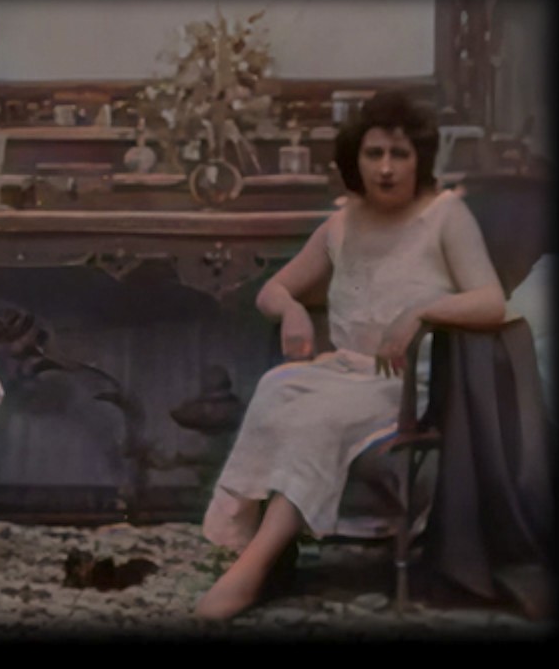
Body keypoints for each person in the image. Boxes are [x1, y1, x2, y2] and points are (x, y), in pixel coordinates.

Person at [194, 91, 507, 620]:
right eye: (374, 154)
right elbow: (272, 290)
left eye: (400, 155)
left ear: (420, 160)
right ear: (354, 160)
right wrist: (292, 309)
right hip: (345, 371)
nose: (386, 168)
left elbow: (491, 302)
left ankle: (251, 570)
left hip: (407, 386)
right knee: (276, 388)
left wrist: (422, 311)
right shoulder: (341, 223)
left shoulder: (445, 216)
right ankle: (263, 553)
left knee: (318, 417)